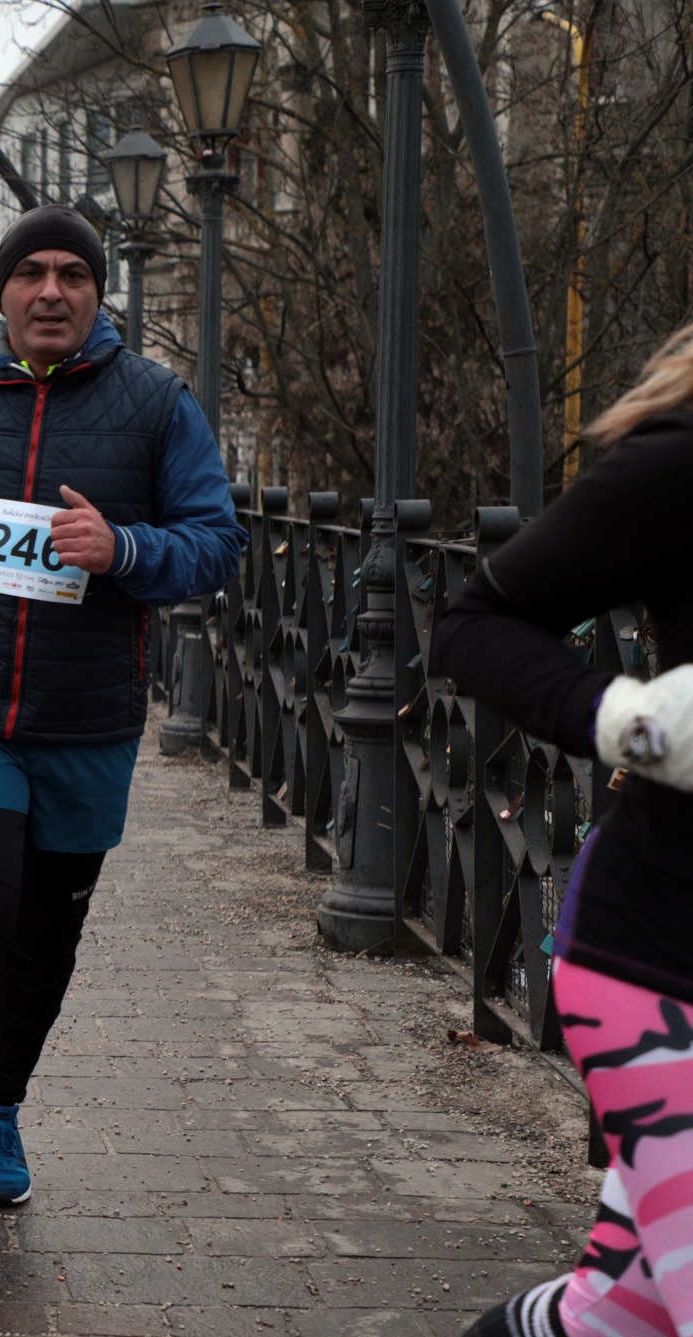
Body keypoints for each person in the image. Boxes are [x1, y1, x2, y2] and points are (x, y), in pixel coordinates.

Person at [0, 204, 245, 1271]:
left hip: (87, 716)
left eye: (74, 272)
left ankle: (3, 1101)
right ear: (4, 289)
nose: (53, 290)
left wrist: (123, 548)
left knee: (44, 942)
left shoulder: (155, 402)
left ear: (97, 291)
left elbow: (217, 543)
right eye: (33, 273)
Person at [433, 324, 693, 1337]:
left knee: (616, 1314)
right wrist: (632, 720)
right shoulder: (676, 467)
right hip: (665, 961)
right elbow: (474, 623)